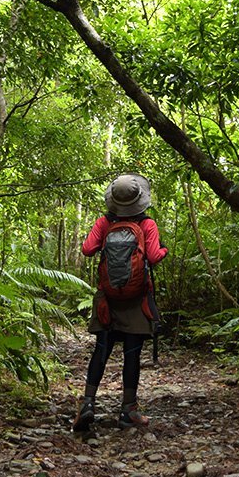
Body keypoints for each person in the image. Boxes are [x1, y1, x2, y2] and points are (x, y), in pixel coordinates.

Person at [73, 173, 167, 431]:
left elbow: (87, 249)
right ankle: (128, 411)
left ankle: (88, 404)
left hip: (108, 298)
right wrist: (165, 250)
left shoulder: (105, 222)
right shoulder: (147, 224)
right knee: (132, 354)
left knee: (101, 351)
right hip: (136, 300)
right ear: (140, 199)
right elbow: (154, 256)